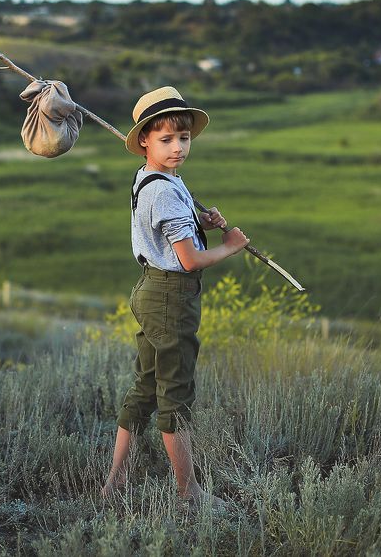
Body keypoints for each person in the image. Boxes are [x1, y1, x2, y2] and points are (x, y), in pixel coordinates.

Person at [101, 86, 250, 509]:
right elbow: (188, 261)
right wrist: (230, 246)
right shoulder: (164, 190)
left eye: (183, 138)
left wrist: (202, 220)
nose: (178, 147)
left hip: (151, 291)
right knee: (175, 393)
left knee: (146, 387)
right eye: (166, 139)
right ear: (144, 140)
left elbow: (169, 229)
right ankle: (189, 494)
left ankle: (115, 483)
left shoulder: (155, 178)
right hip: (170, 296)